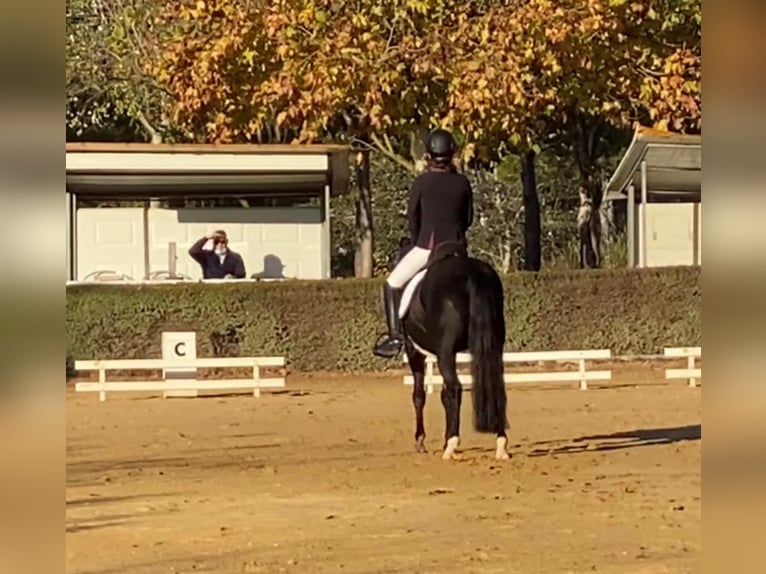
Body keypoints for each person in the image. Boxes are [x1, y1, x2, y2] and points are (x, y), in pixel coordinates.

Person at [373, 128, 474, 358]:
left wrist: (418, 240)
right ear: (452, 155)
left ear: (428, 155)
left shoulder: (422, 182)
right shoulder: (462, 182)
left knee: (391, 284)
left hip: (427, 247)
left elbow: (413, 217)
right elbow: (469, 218)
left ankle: (395, 336)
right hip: (458, 249)